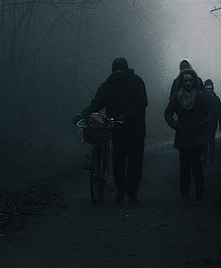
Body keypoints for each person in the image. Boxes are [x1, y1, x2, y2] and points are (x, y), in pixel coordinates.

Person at [78, 57, 148, 202]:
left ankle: (132, 191)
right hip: (117, 129)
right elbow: (97, 102)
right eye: (116, 70)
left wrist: (125, 115)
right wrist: (84, 114)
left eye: (121, 69)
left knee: (135, 162)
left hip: (135, 129)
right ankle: (121, 189)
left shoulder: (136, 82)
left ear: (126, 69)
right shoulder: (109, 84)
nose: (118, 72)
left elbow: (141, 102)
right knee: (118, 161)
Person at [164, 67, 209, 199]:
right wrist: (176, 126)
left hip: (197, 133)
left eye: (190, 80)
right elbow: (168, 114)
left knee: (196, 164)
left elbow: (210, 112)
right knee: (184, 165)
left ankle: (199, 190)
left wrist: (203, 123)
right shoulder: (176, 97)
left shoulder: (201, 96)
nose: (188, 83)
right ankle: (184, 191)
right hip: (183, 134)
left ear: (193, 81)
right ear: (182, 82)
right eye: (185, 81)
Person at [202, 79, 221, 166]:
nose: (208, 90)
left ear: (212, 88)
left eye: (210, 88)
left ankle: (210, 160)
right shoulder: (202, 98)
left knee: (211, 142)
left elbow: (220, 112)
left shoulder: (215, 99)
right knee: (205, 142)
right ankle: (205, 160)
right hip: (204, 124)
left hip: (212, 124)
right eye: (207, 88)